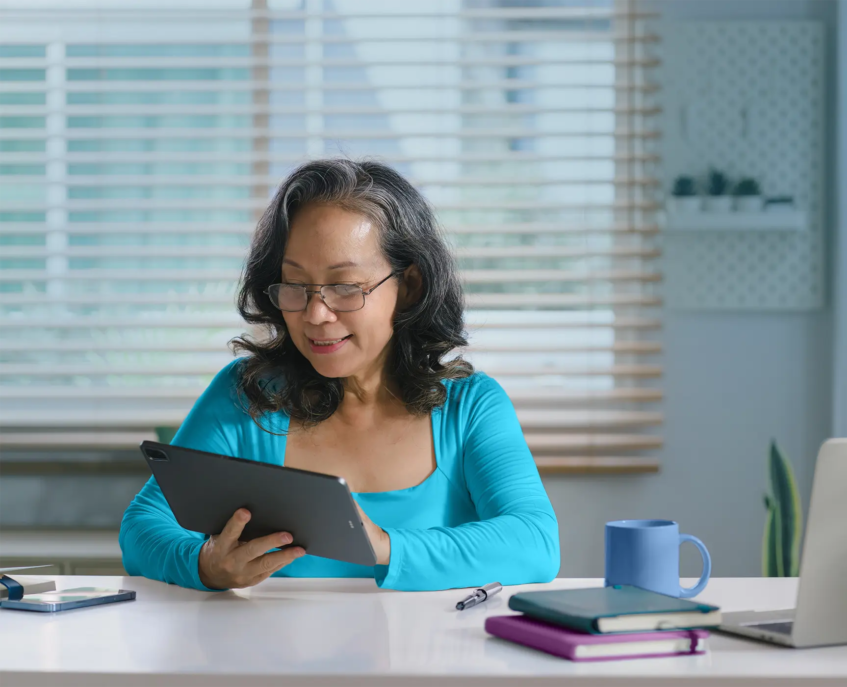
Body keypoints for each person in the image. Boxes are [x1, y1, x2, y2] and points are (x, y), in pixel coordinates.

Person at [119, 159, 561, 591]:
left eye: (346, 287)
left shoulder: (470, 407)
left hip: (426, 660)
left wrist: (385, 546)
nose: (315, 314)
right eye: (296, 285)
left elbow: (536, 543)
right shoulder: (246, 396)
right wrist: (204, 565)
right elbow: (142, 528)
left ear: (409, 287)